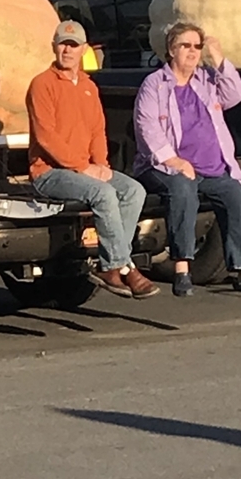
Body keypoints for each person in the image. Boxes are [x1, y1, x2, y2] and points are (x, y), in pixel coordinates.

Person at [133, 22, 241, 301]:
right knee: (182, 189)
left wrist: (217, 56)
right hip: (164, 166)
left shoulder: (206, 80)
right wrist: (175, 161)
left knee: (238, 195)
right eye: (186, 45)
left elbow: (235, 94)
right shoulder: (155, 84)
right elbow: (147, 128)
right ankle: (182, 268)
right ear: (171, 50)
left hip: (212, 168)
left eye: (197, 46)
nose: (193, 51)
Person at [26, 20, 160, 299]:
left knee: (134, 191)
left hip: (85, 169)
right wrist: (83, 167)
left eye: (73, 45)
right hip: (50, 173)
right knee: (103, 193)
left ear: (83, 49)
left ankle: (115, 262)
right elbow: (46, 137)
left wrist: (101, 165)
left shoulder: (89, 86)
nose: (67, 50)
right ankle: (118, 266)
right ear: (53, 47)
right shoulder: (42, 84)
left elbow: (97, 130)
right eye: (63, 44)